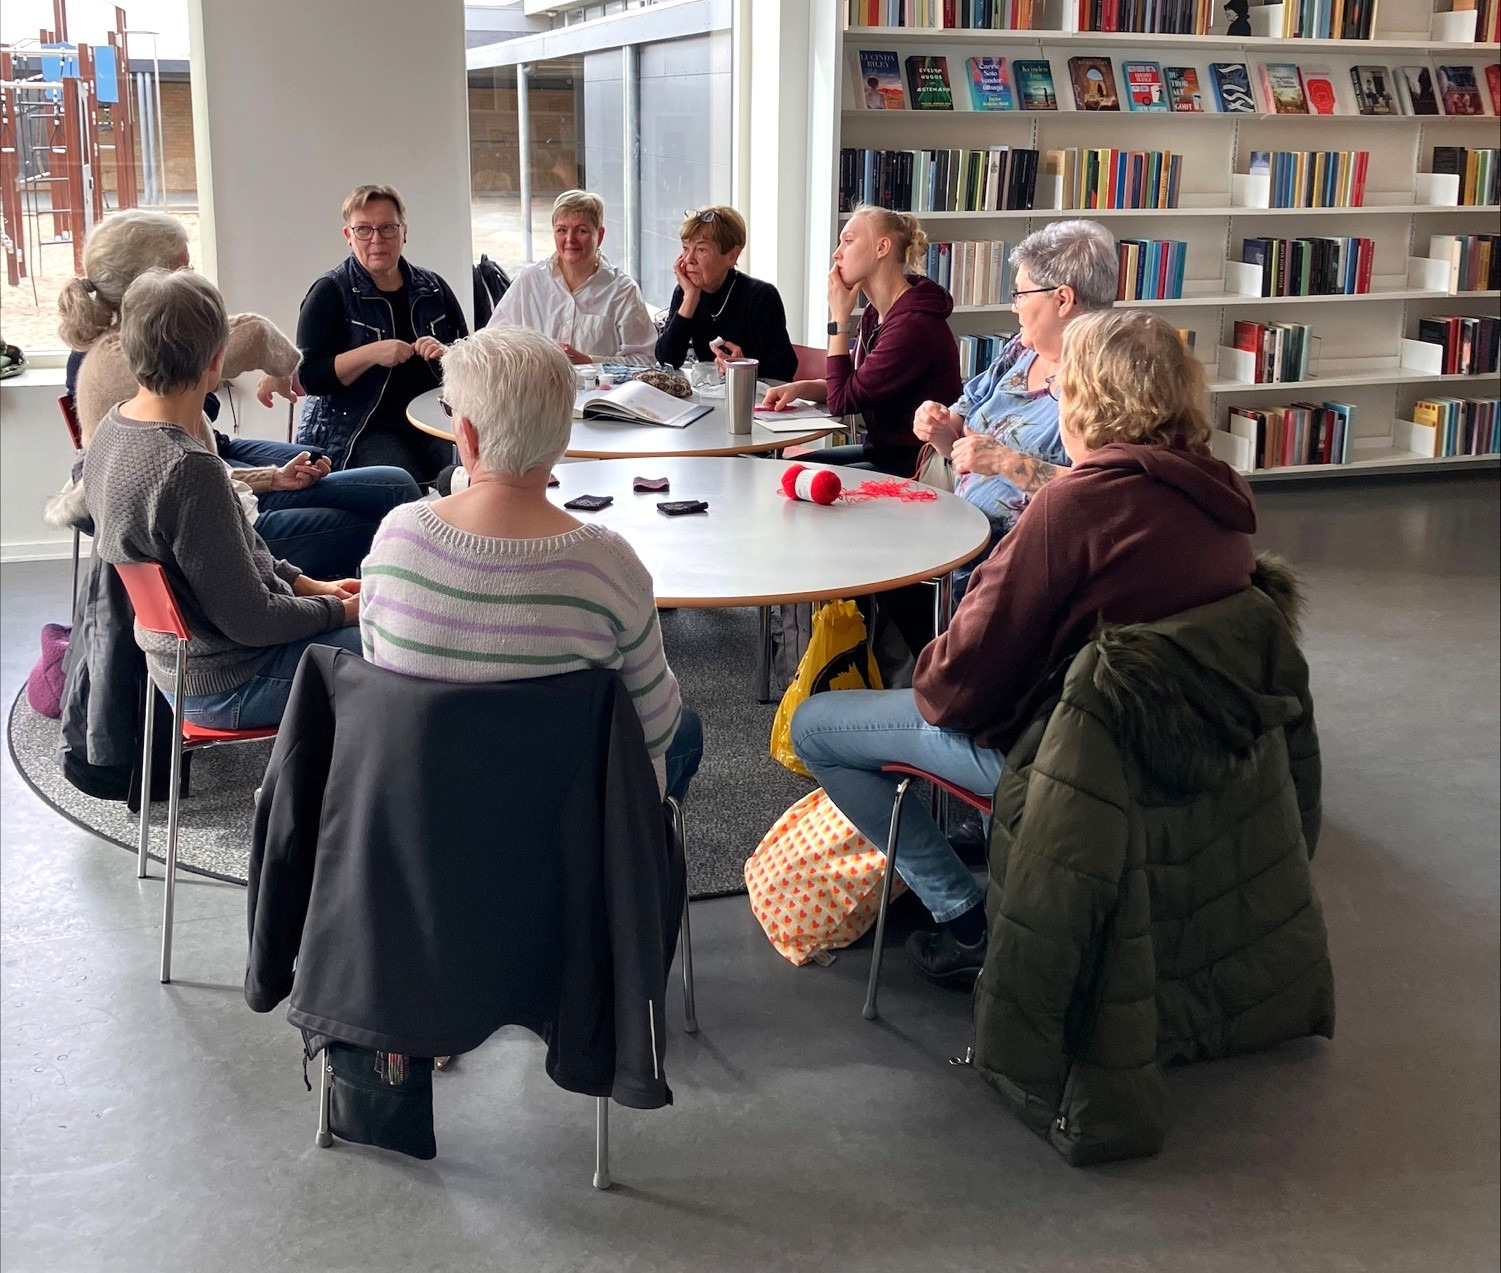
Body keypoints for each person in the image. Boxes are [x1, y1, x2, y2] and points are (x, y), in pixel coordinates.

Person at [792, 309, 1258, 987]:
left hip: (1070, 762)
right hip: (1183, 749)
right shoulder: (1219, 499)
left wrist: (929, 656)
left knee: (817, 726)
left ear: (1087, 400)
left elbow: (950, 691)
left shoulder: (1070, 508)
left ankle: (962, 915)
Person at [359, 325, 703, 804]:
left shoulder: (397, 536)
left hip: (417, 815)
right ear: (562, 437)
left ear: (469, 436)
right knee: (688, 730)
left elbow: (379, 675)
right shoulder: (608, 564)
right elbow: (656, 730)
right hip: (570, 829)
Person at [55, 209, 421, 580]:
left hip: (225, 487)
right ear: (148, 283)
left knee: (389, 486)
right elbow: (191, 486)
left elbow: (202, 476)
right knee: (377, 518)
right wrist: (325, 601)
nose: (193, 277)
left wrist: (272, 478)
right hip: (225, 522)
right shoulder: (138, 359)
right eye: (184, 268)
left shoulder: (137, 352)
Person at [82, 269, 363, 731]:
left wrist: (311, 586)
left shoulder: (113, 430)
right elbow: (253, 622)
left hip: (179, 668)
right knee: (394, 643)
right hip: (227, 682)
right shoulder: (188, 468)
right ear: (216, 360)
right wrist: (342, 611)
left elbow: (239, 555)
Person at [912, 218, 1116, 596]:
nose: (1013, 307)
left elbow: (1103, 495)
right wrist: (942, 430)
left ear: (1062, 299)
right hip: (954, 528)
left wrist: (1007, 462)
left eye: (1021, 294)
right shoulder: (1021, 350)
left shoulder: (1103, 383)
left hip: (1012, 564)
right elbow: (962, 431)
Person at [760, 206, 960, 478]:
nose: (837, 253)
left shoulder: (913, 326)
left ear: (882, 248)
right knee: (782, 472)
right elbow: (853, 385)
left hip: (916, 467)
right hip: (882, 452)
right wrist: (801, 388)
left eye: (849, 241)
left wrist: (839, 320)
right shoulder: (875, 314)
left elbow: (843, 403)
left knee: (791, 480)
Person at [295, 184, 469, 484]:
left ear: (404, 233)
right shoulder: (330, 292)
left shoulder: (434, 288)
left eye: (387, 228)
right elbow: (309, 377)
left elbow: (470, 356)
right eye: (364, 229)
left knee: (468, 477)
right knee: (403, 484)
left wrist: (447, 353)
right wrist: (371, 353)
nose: (377, 239)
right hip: (361, 429)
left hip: (432, 419)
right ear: (349, 236)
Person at [485, 189, 657, 365]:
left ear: (601, 235)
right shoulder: (530, 280)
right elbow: (492, 343)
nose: (570, 239)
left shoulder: (622, 290)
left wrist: (591, 362)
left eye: (581, 230)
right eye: (561, 230)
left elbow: (645, 360)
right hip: (538, 390)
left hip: (601, 391)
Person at [654, 206, 797, 382]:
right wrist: (690, 298)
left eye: (701, 250)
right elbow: (667, 360)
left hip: (754, 400)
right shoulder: (685, 293)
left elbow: (785, 368)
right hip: (710, 396)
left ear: (731, 256)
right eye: (685, 248)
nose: (688, 259)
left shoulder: (761, 297)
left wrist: (743, 366)